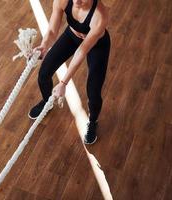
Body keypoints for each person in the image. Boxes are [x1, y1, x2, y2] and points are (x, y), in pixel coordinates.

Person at [28, 0, 111, 144]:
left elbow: (81, 51)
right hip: (71, 35)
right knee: (44, 73)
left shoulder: (100, 16)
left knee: (93, 91)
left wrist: (63, 82)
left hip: (97, 46)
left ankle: (92, 121)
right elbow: (52, 31)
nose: (77, 1)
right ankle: (47, 101)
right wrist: (43, 46)